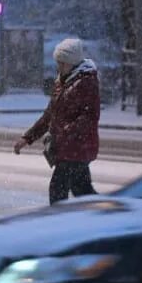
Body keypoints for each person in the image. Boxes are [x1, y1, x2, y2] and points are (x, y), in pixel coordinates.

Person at [14, 37, 101, 204]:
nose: (59, 67)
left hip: (77, 148)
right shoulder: (63, 81)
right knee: (83, 192)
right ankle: (110, 214)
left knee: (58, 191)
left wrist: (63, 133)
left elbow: (89, 117)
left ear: (73, 62)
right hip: (67, 148)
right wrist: (28, 138)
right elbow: (50, 115)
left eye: (63, 63)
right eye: (58, 63)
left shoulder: (86, 82)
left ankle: (59, 223)